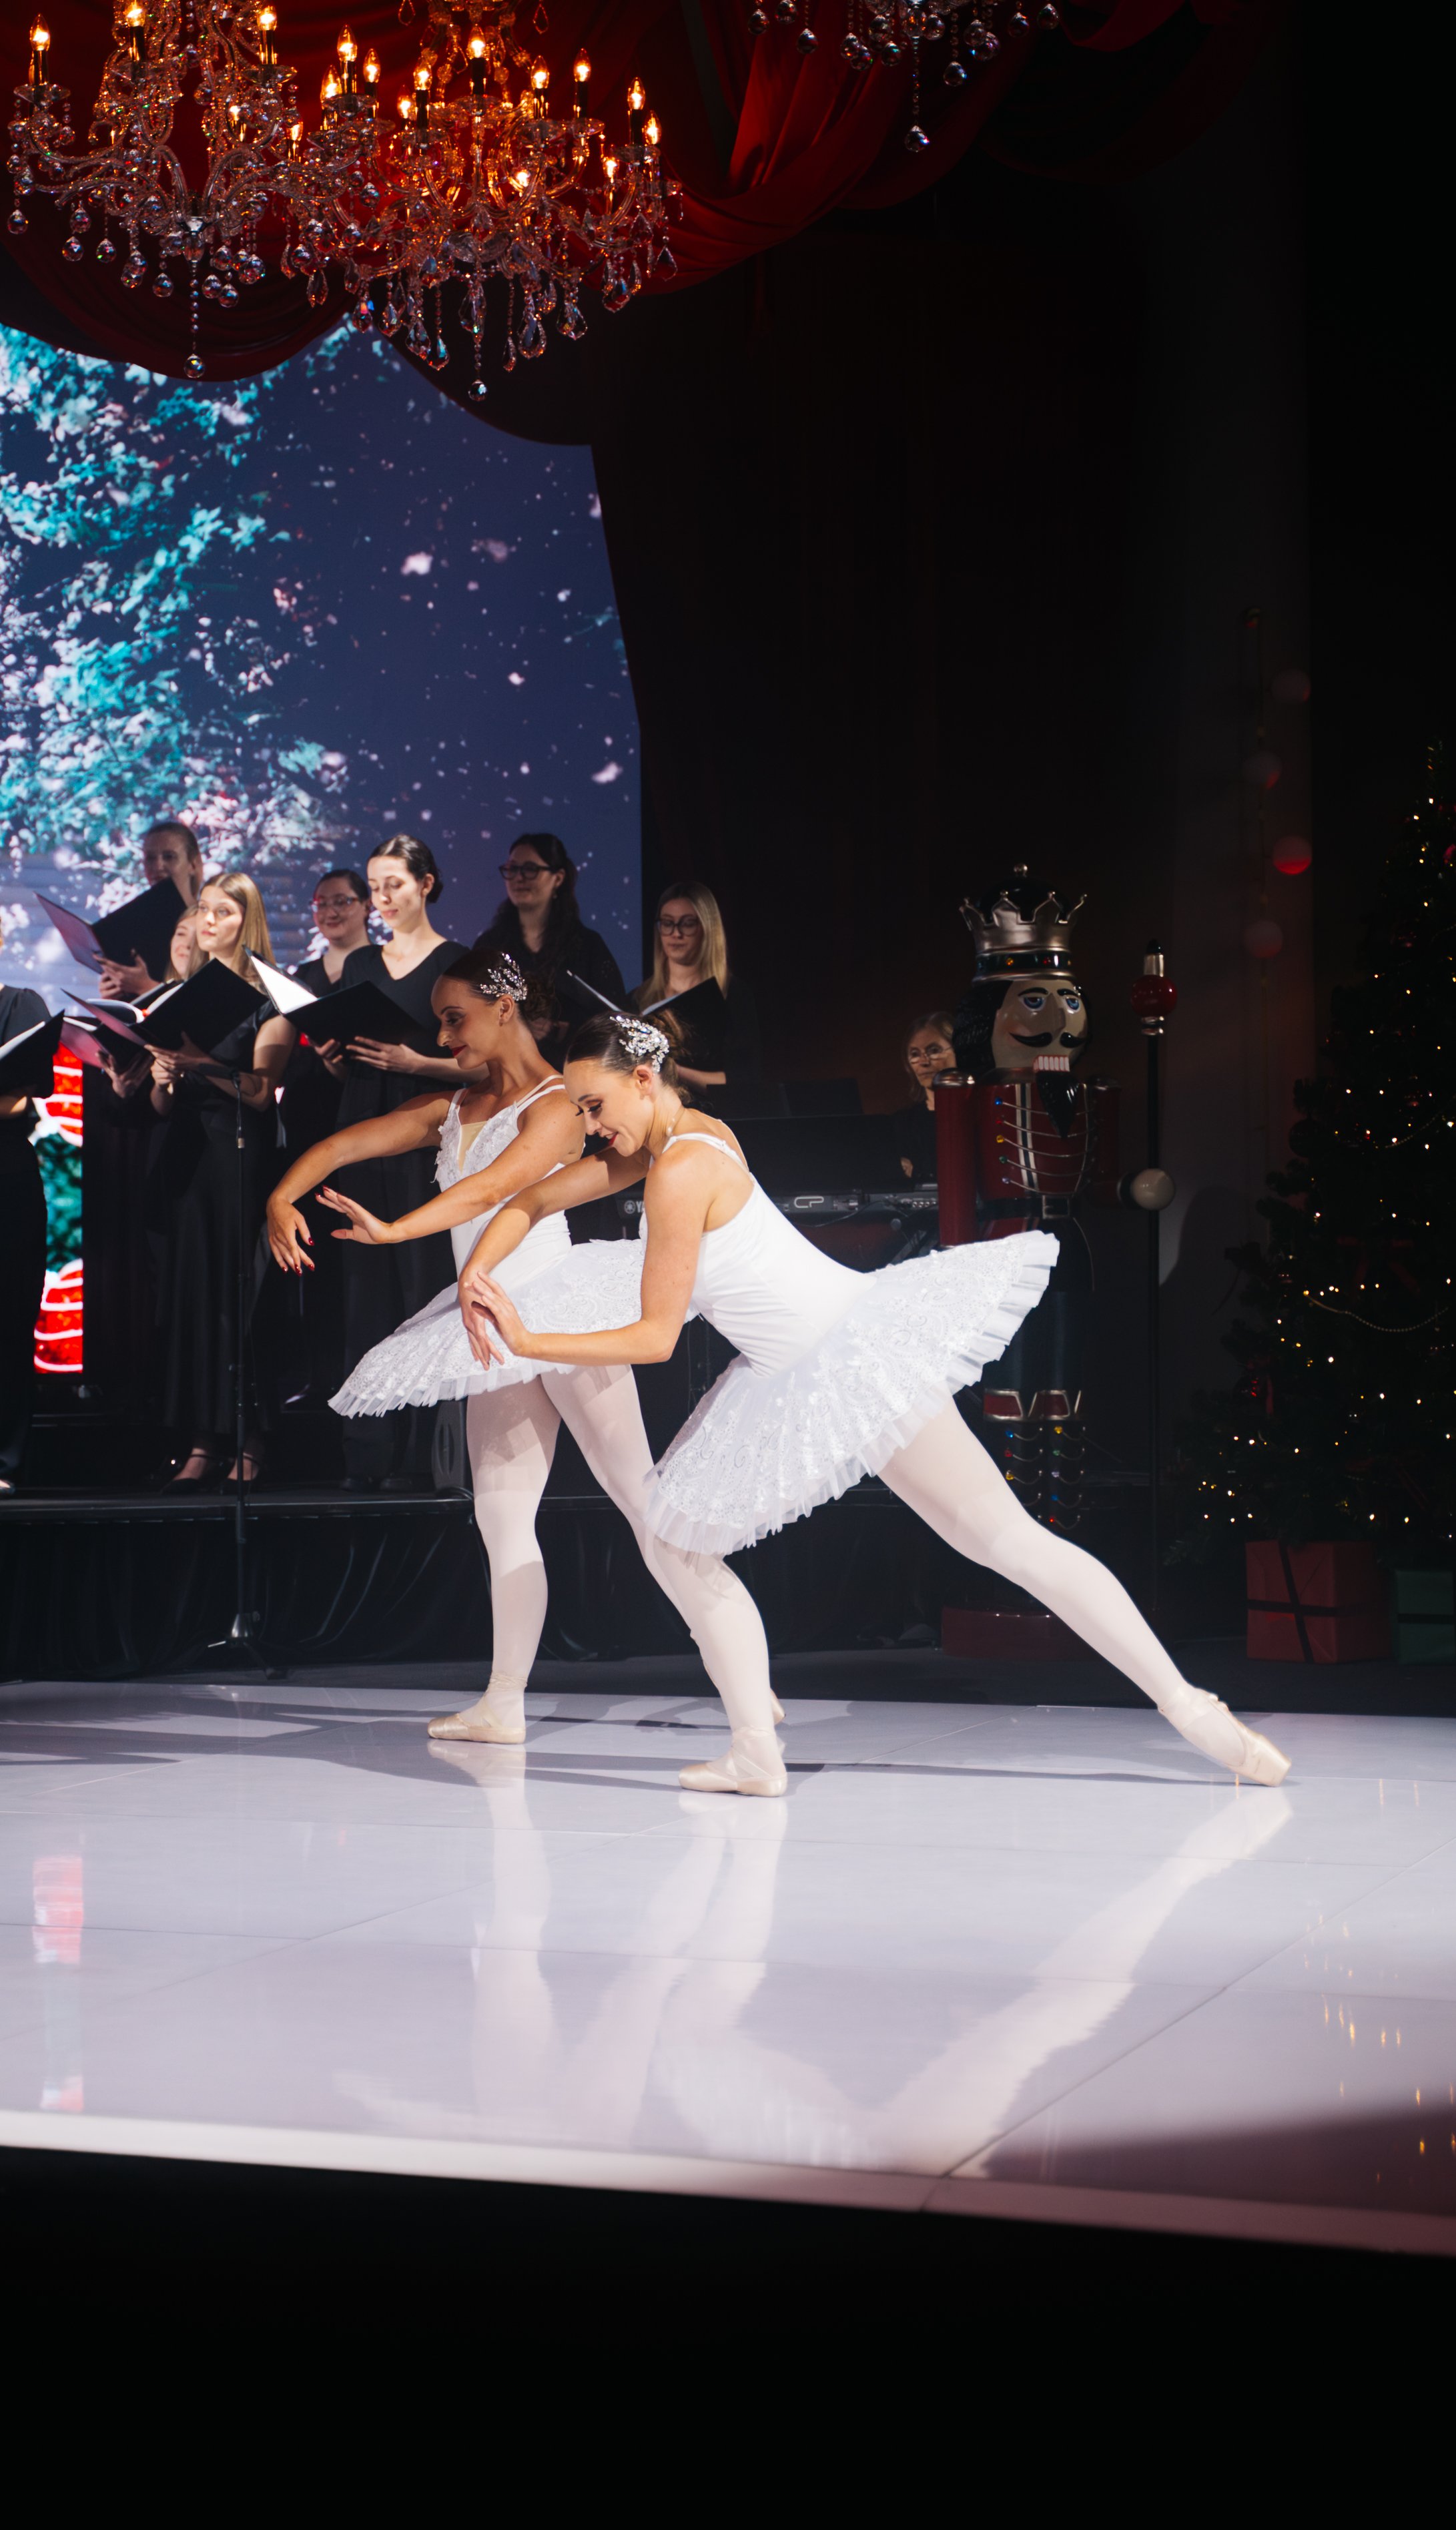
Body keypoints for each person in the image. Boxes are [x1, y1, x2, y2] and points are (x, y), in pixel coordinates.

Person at [458, 1010, 1291, 1793]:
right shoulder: (690, 1135)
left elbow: (653, 1339)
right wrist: (477, 1273)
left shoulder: (678, 1167)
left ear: (644, 1078)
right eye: (578, 1108)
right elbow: (529, 1197)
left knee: (999, 1539)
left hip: (841, 1356)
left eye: (595, 1104)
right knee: (679, 1541)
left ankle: (1188, 1705)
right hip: (807, 1358)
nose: (589, 1123)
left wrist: (529, 1341)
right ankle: (754, 1749)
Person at [266, 952, 784, 1782]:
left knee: (645, 1509)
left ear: (505, 1007)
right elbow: (340, 1143)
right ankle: (503, 1700)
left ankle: (746, 1688)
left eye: (453, 1016)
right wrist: (280, 1195)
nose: (442, 1035)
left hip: (555, 1306)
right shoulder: (453, 1103)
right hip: (488, 1323)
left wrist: (398, 1230)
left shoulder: (555, 1105)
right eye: (438, 1019)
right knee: (501, 1514)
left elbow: (499, 1193)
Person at [309, 834, 468, 1490]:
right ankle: (366, 1453)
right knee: (364, 1300)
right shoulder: (361, 966)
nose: (383, 898)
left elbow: (481, 1060)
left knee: (424, 1291)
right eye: (375, 886)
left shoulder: (457, 964)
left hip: (425, 1139)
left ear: (426, 884)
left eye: (394, 884)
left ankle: (425, 1459)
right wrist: (331, 1056)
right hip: (363, 1133)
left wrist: (414, 1062)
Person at [147, 874, 296, 1489]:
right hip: (187, 1156)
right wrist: (162, 1076)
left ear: (247, 920)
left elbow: (261, 1093)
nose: (208, 920)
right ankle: (202, 1439)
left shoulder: (270, 998)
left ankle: (252, 1437)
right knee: (195, 1294)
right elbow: (160, 1108)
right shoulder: (178, 995)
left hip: (239, 1156)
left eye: (223, 911)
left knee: (240, 1294)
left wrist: (200, 1065)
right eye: (202, 909)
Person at [276, 868, 372, 1405]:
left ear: (365, 906)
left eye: (342, 901)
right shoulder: (304, 974)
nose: (331, 912)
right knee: (313, 1259)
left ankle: (361, 1375)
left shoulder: (376, 967)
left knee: (358, 1259)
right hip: (310, 1121)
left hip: (363, 1120)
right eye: (321, 904)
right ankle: (319, 1374)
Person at [473, 834, 625, 1060]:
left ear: (558, 878)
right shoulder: (490, 946)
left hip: (571, 1074)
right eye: (512, 869)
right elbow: (472, 1011)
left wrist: (559, 1031)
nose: (519, 878)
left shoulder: (586, 946)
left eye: (531, 869)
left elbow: (615, 1022)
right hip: (506, 1073)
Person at [630, 879, 761, 1108]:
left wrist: (675, 1071)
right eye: (667, 923)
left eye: (687, 924)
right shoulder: (639, 998)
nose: (676, 934)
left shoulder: (733, 996)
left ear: (706, 928)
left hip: (715, 1115)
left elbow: (743, 1079)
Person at [0, 926, 49, 1495]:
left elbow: (20, 1097)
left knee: (8, 1322)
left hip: (6, 1179)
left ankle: (6, 1463)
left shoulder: (21, 1004)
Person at [97, 820, 206, 1002]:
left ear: (193, 864)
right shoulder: (134, 927)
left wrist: (145, 987)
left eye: (169, 857)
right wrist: (114, 990)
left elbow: (208, 1005)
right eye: (150, 858)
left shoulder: (209, 926)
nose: (158, 866)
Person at [895, 1010, 956, 1185]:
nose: (923, 1061)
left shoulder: (985, 1116)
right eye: (914, 1054)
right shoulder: (900, 1124)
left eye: (934, 1050)